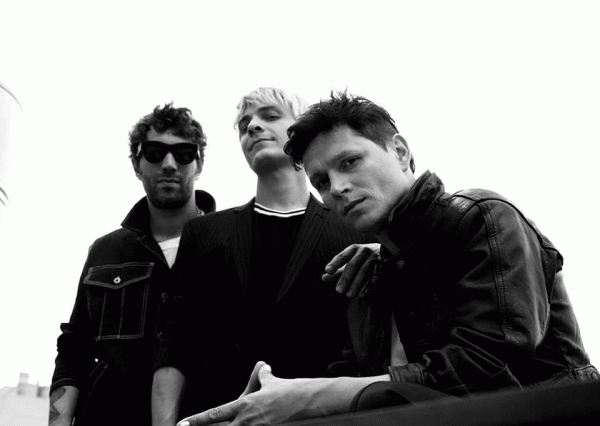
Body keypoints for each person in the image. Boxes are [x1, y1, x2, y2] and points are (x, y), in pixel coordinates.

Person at [177, 91, 598, 426]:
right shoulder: (372, 271)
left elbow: (487, 370)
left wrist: (310, 396)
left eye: (350, 162)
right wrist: (275, 398)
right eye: (321, 181)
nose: (337, 188)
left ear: (400, 151)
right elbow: (357, 377)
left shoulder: (482, 218)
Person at [151, 88, 378, 424]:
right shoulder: (204, 233)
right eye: (244, 125)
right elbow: (175, 343)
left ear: (301, 131)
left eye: (270, 116)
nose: (253, 127)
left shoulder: (356, 229)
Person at [49, 104, 216, 426]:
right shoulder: (105, 251)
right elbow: (74, 348)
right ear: (137, 165)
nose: (169, 164)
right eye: (154, 152)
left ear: (199, 164)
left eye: (183, 153)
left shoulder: (227, 244)